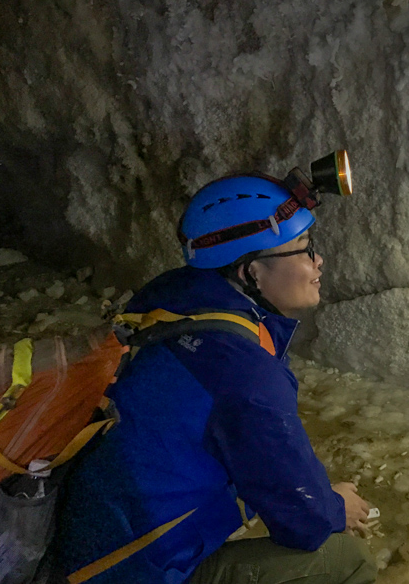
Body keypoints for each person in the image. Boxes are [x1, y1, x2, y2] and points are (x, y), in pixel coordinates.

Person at [55, 173, 377, 584]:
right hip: (132, 572)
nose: (317, 262)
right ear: (251, 273)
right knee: (345, 558)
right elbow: (306, 522)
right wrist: (334, 507)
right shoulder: (244, 373)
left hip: (90, 538)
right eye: (302, 250)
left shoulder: (177, 297)